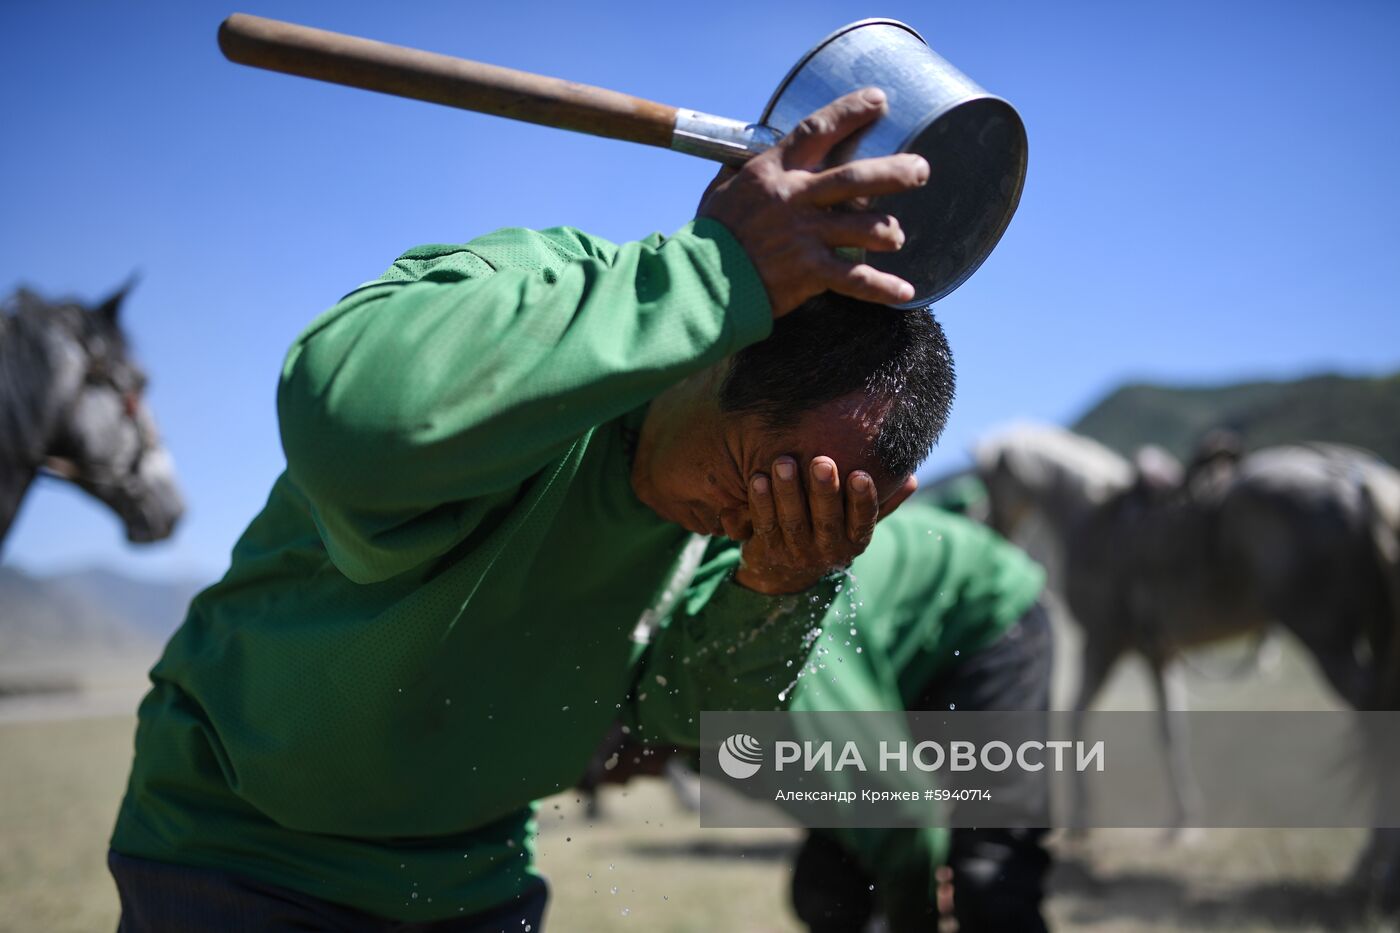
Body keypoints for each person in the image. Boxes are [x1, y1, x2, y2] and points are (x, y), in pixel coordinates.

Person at [107, 89, 956, 931]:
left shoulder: (753, 525)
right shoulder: (557, 291)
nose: (745, 523)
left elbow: (682, 714)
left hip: (469, 880)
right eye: (752, 480)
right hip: (239, 851)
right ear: (722, 347)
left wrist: (780, 581)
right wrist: (709, 272)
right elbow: (350, 424)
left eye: (791, 511)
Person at [788, 502, 1053, 933]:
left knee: (990, 879)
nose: (637, 781)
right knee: (829, 889)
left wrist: (916, 911)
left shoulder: (781, 666)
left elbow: (905, 815)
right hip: (897, 663)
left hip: (986, 617)